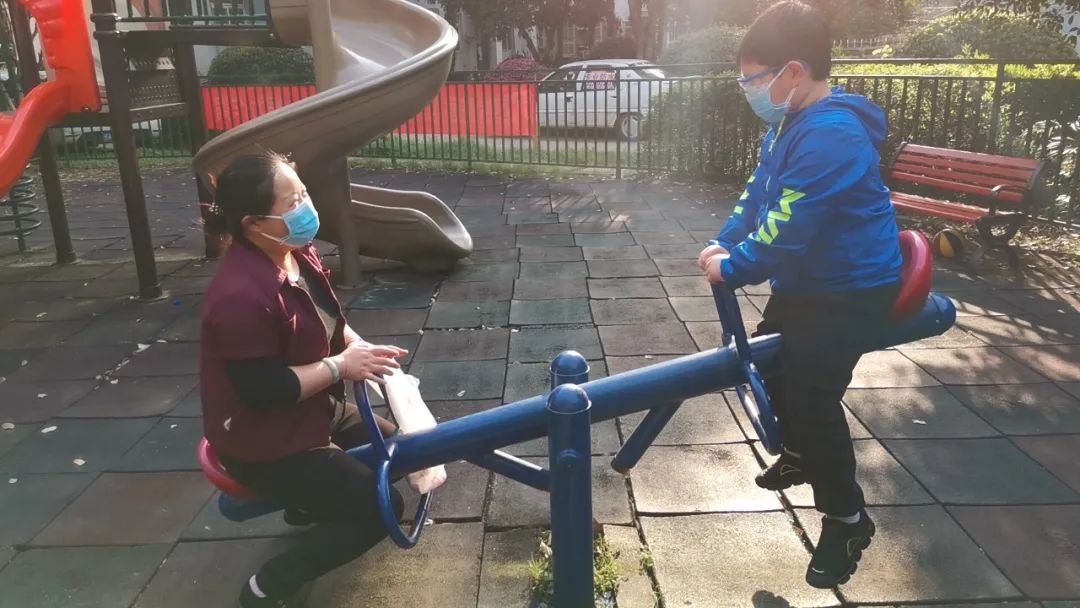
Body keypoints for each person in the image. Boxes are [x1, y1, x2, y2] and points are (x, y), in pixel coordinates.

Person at [697, 0, 902, 589]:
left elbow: (790, 223)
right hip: (809, 282)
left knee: (811, 397)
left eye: (752, 79)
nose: (748, 91)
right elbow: (758, 196)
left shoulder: (832, 134)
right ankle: (800, 454)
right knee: (772, 363)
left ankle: (847, 519)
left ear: (793, 71)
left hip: (851, 288)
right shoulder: (787, 126)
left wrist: (737, 265)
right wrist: (724, 239)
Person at [199, 151, 410, 607]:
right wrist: (341, 366)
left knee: (402, 449)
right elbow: (265, 391)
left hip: (311, 410)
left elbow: (329, 321)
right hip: (264, 440)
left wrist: (362, 349)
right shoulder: (239, 297)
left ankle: (307, 505)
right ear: (254, 223)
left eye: (304, 193)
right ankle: (269, 585)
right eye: (292, 202)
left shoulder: (295, 252)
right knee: (383, 506)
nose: (307, 207)